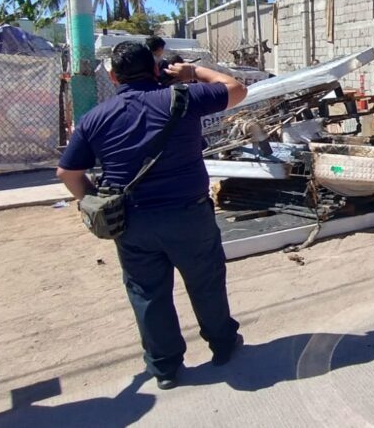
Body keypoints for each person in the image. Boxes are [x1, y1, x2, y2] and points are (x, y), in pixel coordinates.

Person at [56, 41, 247, 390]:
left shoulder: (95, 118)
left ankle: (165, 368)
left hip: (132, 223)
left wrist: (94, 201)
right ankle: (222, 346)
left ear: (113, 77)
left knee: (147, 294)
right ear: (157, 70)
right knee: (206, 282)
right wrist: (193, 73)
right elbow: (236, 88)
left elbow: (68, 174)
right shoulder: (182, 98)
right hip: (189, 216)